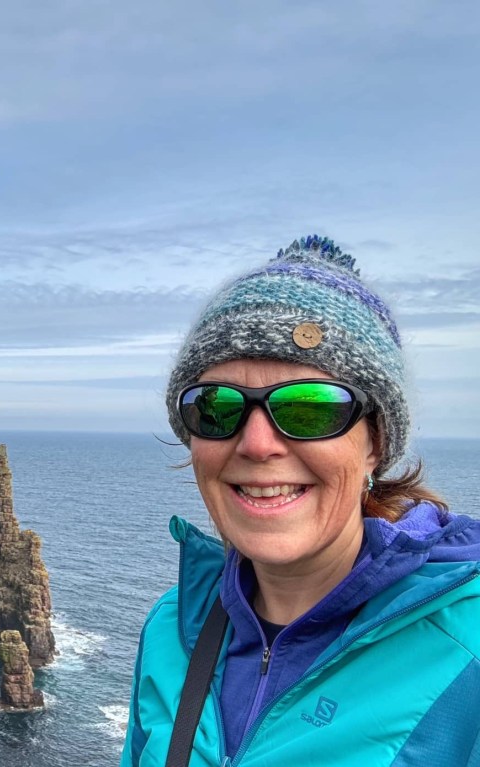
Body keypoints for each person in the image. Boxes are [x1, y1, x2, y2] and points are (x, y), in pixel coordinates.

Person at [121, 236, 480, 766]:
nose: (257, 444)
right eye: (217, 407)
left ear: (376, 443)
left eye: (310, 407)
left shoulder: (467, 649)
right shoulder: (171, 629)